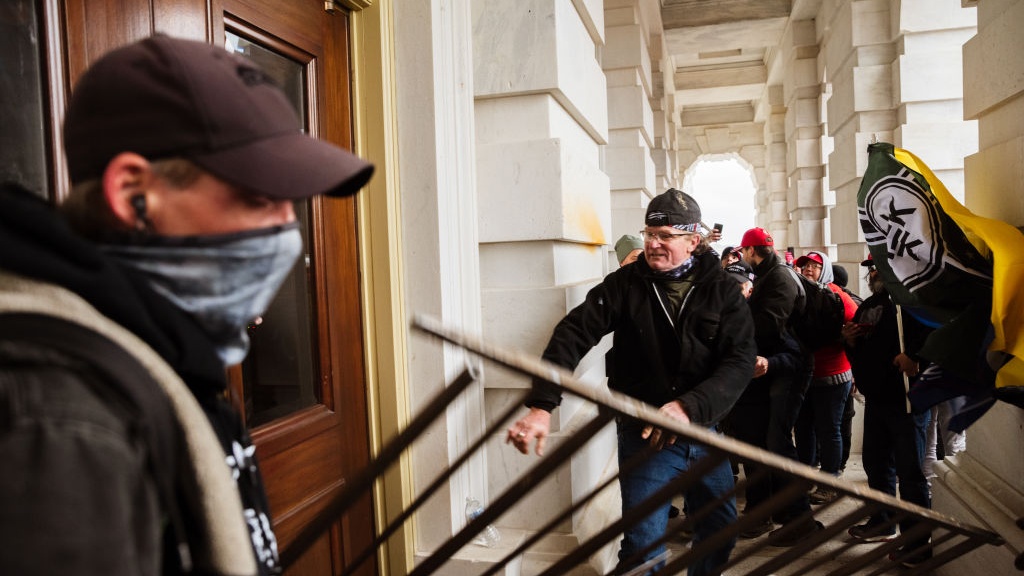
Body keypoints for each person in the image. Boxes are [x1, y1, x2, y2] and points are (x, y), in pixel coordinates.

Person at [0, 35, 373, 576]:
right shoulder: (60, 411)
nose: (286, 233)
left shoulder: (164, 348)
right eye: (257, 196)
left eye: (290, 203)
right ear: (133, 192)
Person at [508, 189, 756, 576]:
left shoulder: (722, 290)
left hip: (704, 433)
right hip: (645, 435)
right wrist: (541, 405)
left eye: (666, 236)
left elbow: (739, 360)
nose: (653, 244)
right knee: (643, 548)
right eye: (649, 234)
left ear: (693, 240)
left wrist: (688, 407)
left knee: (719, 530)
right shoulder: (625, 284)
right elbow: (573, 333)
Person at [842, 256, 933, 568]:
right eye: (871, 267)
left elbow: (939, 336)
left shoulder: (915, 301)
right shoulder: (870, 304)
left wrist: (917, 358)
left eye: (880, 265)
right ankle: (882, 522)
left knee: (910, 475)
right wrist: (850, 342)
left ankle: (917, 544)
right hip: (878, 400)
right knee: (876, 465)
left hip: (907, 400)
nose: (873, 272)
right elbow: (863, 349)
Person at [738, 228, 821, 544]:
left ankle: (800, 519)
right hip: (774, 369)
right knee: (763, 441)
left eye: (744, 252)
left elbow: (770, 327)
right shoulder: (770, 275)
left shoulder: (779, 278)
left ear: (751, 251)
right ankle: (776, 513)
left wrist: (738, 325)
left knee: (778, 442)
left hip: (788, 368)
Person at [792, 251, 858, 504]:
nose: (808, 269)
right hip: (805, 375)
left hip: (833, 376)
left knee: (829, 429)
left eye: (814, 266)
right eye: (805, 266)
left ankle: (830, 480)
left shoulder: (839, 297)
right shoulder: (799, 294)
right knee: (804, 427)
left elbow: (856, 331)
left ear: (825, 269)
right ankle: (806, 475)